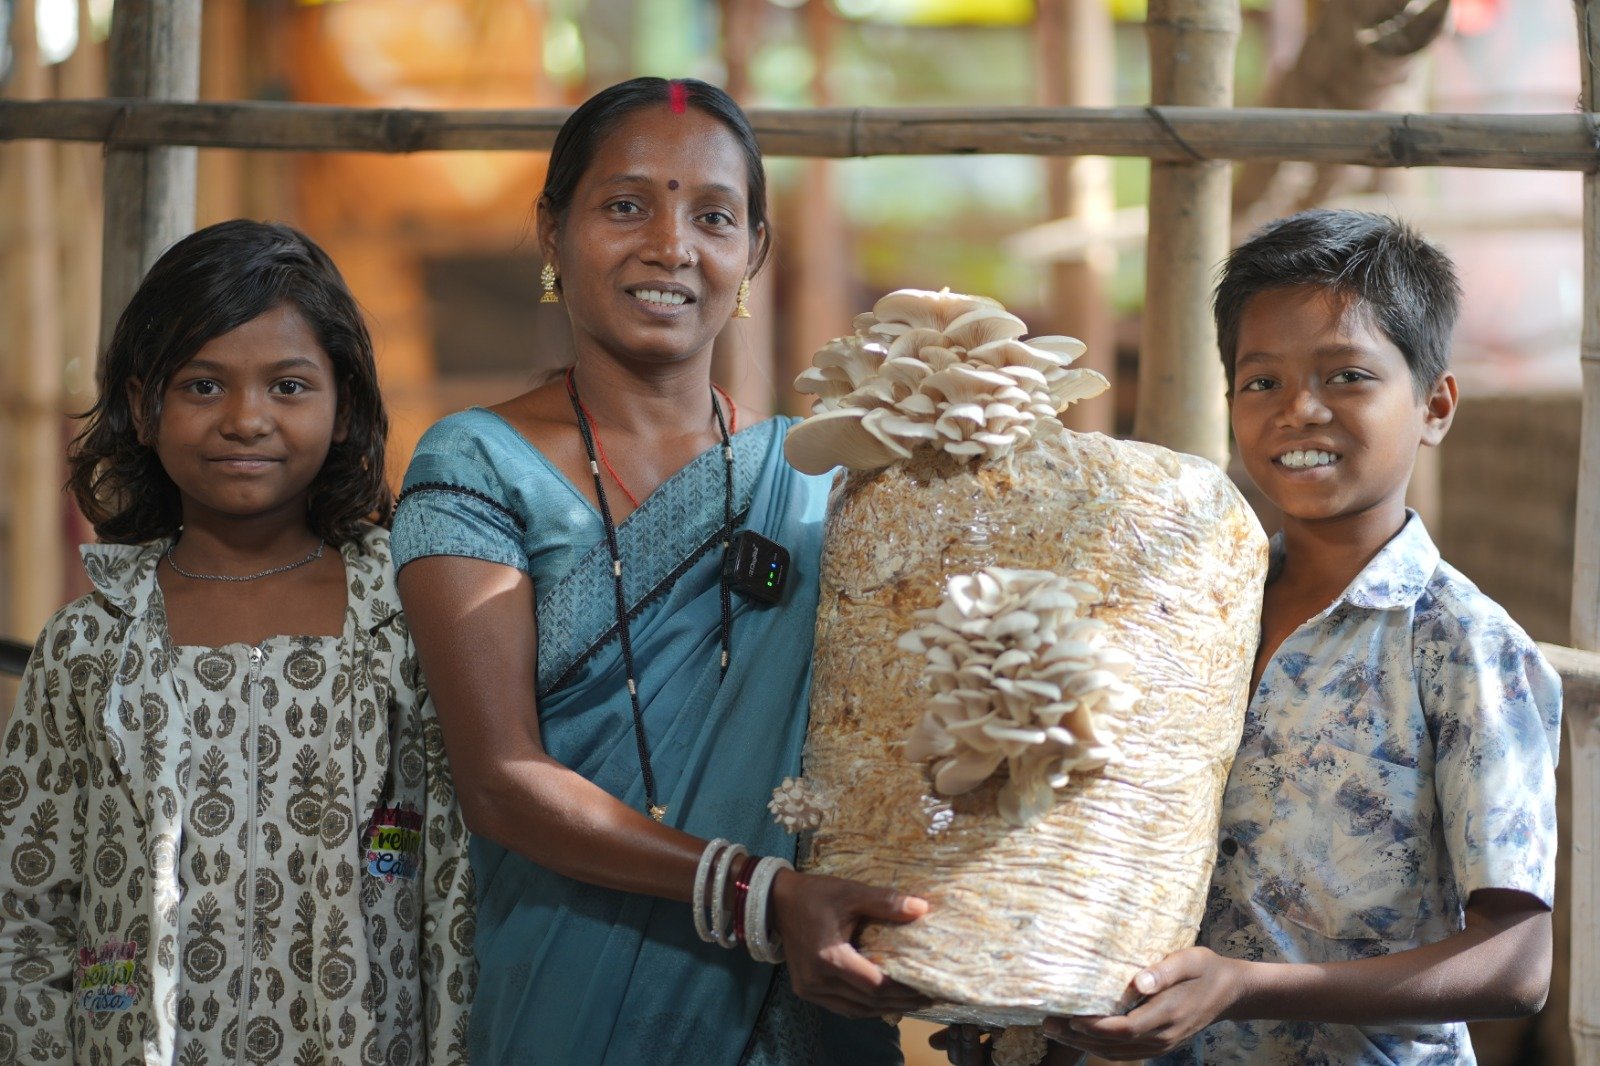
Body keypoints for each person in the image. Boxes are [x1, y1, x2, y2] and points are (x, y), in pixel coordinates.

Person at [390, 76, 928, 1066]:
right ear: (552, 230)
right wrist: (757, 893)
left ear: (752, 252)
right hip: (580, 990)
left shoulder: (816, 481)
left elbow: (891, 753)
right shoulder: (474, 464)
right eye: (626, 204)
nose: (671, 246)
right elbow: (501, 781)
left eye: (712, 216)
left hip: (814, 997)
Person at [1036, 209, 1561, 1064]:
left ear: (1434, 405)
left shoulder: (1464, 645)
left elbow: (1517, 963)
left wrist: (1246, 988)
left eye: (1347, 375)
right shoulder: (1192, 614)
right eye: (1261, 382)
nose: (1300, 411)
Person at [0, 219, 475, 1064]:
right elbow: (27, 914)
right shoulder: (87, 644)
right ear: (145, 407)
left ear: (344, 407)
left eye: (289, 387)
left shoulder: (404, 624)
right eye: (204, 386)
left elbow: (452, 892)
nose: (246, 419)